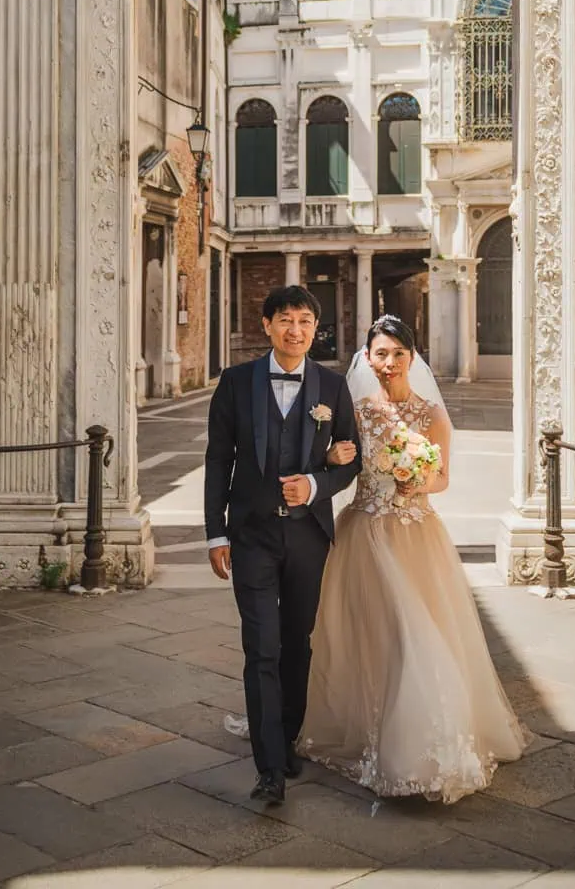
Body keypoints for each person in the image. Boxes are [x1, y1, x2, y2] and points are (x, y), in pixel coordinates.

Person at [299, 313, 527, 803]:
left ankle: (423, 746)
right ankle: (369, 732)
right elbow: (333, 461)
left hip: (416, 535)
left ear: (412, 357)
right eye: (379, 353)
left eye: (398, 354)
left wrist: (418, 480)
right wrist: (334, 459)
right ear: (366, 357)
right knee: (372, 635)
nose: (388, 363)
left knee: (415, 633)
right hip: (364, 532)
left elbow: (442, 477)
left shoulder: (431, 415)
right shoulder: (354, 410)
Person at [204, 284, 360, 806]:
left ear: (316, 329)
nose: (296, 330)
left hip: (307, 535)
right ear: (266, 324)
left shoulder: (332, 388)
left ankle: (288, 736)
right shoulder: (236, 381)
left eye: (305, 322)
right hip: (251, 535)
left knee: (298, 644)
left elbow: (351, 459)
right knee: (261, 648)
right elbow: (218, 460)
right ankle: (269, 766)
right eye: (286, 320)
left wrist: (316, 484)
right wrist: (215, 531)